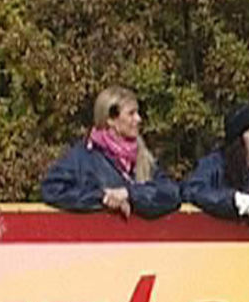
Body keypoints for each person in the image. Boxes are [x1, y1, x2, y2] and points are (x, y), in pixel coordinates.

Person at [41, 85, 180, 219]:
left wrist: (129, 194)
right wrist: (102, 197)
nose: (138, 119)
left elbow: (172, 192)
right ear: (111, 120)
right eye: (131, 113)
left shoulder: (143, 157)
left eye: (137, 113)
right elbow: (52, 189)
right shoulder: (83, 158)